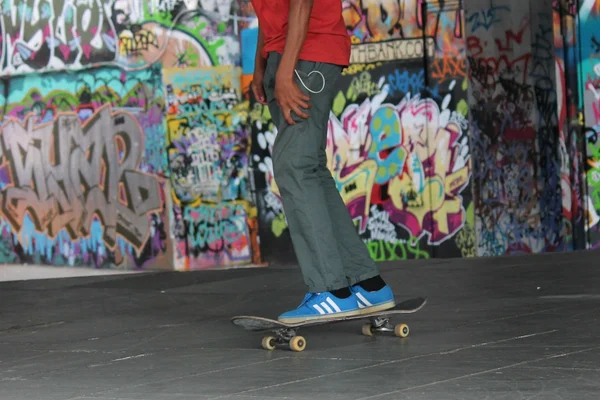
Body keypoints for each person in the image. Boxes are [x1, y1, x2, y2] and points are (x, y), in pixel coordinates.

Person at [250, 0, 395, 324]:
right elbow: (268, 10)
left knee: (294, 165)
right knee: (310, 167)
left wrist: (285, 71)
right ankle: (366, 284)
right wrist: (261, 67)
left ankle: (331, 291)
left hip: (306, 52)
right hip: (284, 54)